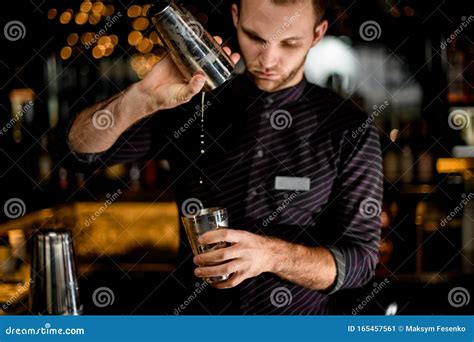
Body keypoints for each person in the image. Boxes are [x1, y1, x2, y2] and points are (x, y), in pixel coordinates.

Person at [67, 0, 383, 315]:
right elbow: (79, 150)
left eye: (290, 43)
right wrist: (142, 97)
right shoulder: (194, 101)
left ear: (318, 34)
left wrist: (272, 255)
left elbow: (360, 261)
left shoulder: (348, 128)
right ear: (236, 17)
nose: (268, 59)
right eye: (255, 38)